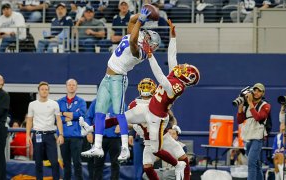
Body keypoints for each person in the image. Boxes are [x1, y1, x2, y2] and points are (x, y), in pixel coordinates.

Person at [81, 7, 161, 161]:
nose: (152, 47)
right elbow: (131, 20)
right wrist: (143, 15)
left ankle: (125, 148)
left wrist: (141, 21)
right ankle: (97, 147)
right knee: (100, 111)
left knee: (119, 112)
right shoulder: (137, 36)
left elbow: (132, 40)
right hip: (107, 76)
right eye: (152, 44)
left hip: (119, 78)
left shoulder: (141, 53)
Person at [124, 19, 199, 180]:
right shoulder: (136, 103)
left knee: (183, 159)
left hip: (160, 131)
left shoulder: (177, 86)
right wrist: (173, 37)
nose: (183, 67)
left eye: (186, 69)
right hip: (148, 138)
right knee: (147, 167)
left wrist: (150, 56)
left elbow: (160, 77)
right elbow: (172, 57)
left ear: (188, 77)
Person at [26, 81, 64, 180]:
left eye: (46, 89)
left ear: (49, 91)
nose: (44, 91)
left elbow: (59, 120)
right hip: (37, 135)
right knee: (38, 162)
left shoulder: (54, 104)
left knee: (54, 162)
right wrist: (27, 136)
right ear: (38, 91)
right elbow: (29, 121)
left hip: (50, 136)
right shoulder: (32, 104)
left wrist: (61, 135)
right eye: (42, 89)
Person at [237, 83, 271, 180]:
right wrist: (241, 106)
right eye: (255, 90)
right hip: (248, 137)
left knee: (251, 163)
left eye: (259, 91)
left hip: (257, 138)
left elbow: (258, 117)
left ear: (263, 93)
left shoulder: (266, 105)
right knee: (256, 164)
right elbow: (239, 120)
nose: (256, 92)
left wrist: (250, 102)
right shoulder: (248, 105)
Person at [81, 99, 122, 180]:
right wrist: (88, 132)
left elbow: (127, 116)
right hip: (99, 136)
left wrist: (121, 125)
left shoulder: (119, 101)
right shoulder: (96, 102)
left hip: (115, 136)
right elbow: (88, 117)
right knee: (97, 164)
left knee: (115, 163)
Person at [57, 79, 86, 180]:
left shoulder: (81, 101)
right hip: (63, 136)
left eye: (73, 85)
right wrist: (72, 115)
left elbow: (81, 115)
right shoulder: (59, 102)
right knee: (66, 163)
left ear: (76, 87)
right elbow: (57, 118)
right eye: (69, 85)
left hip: (76, 137)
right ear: (66, 87)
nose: (71, 86)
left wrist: (64, 113)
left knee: (77, 162)